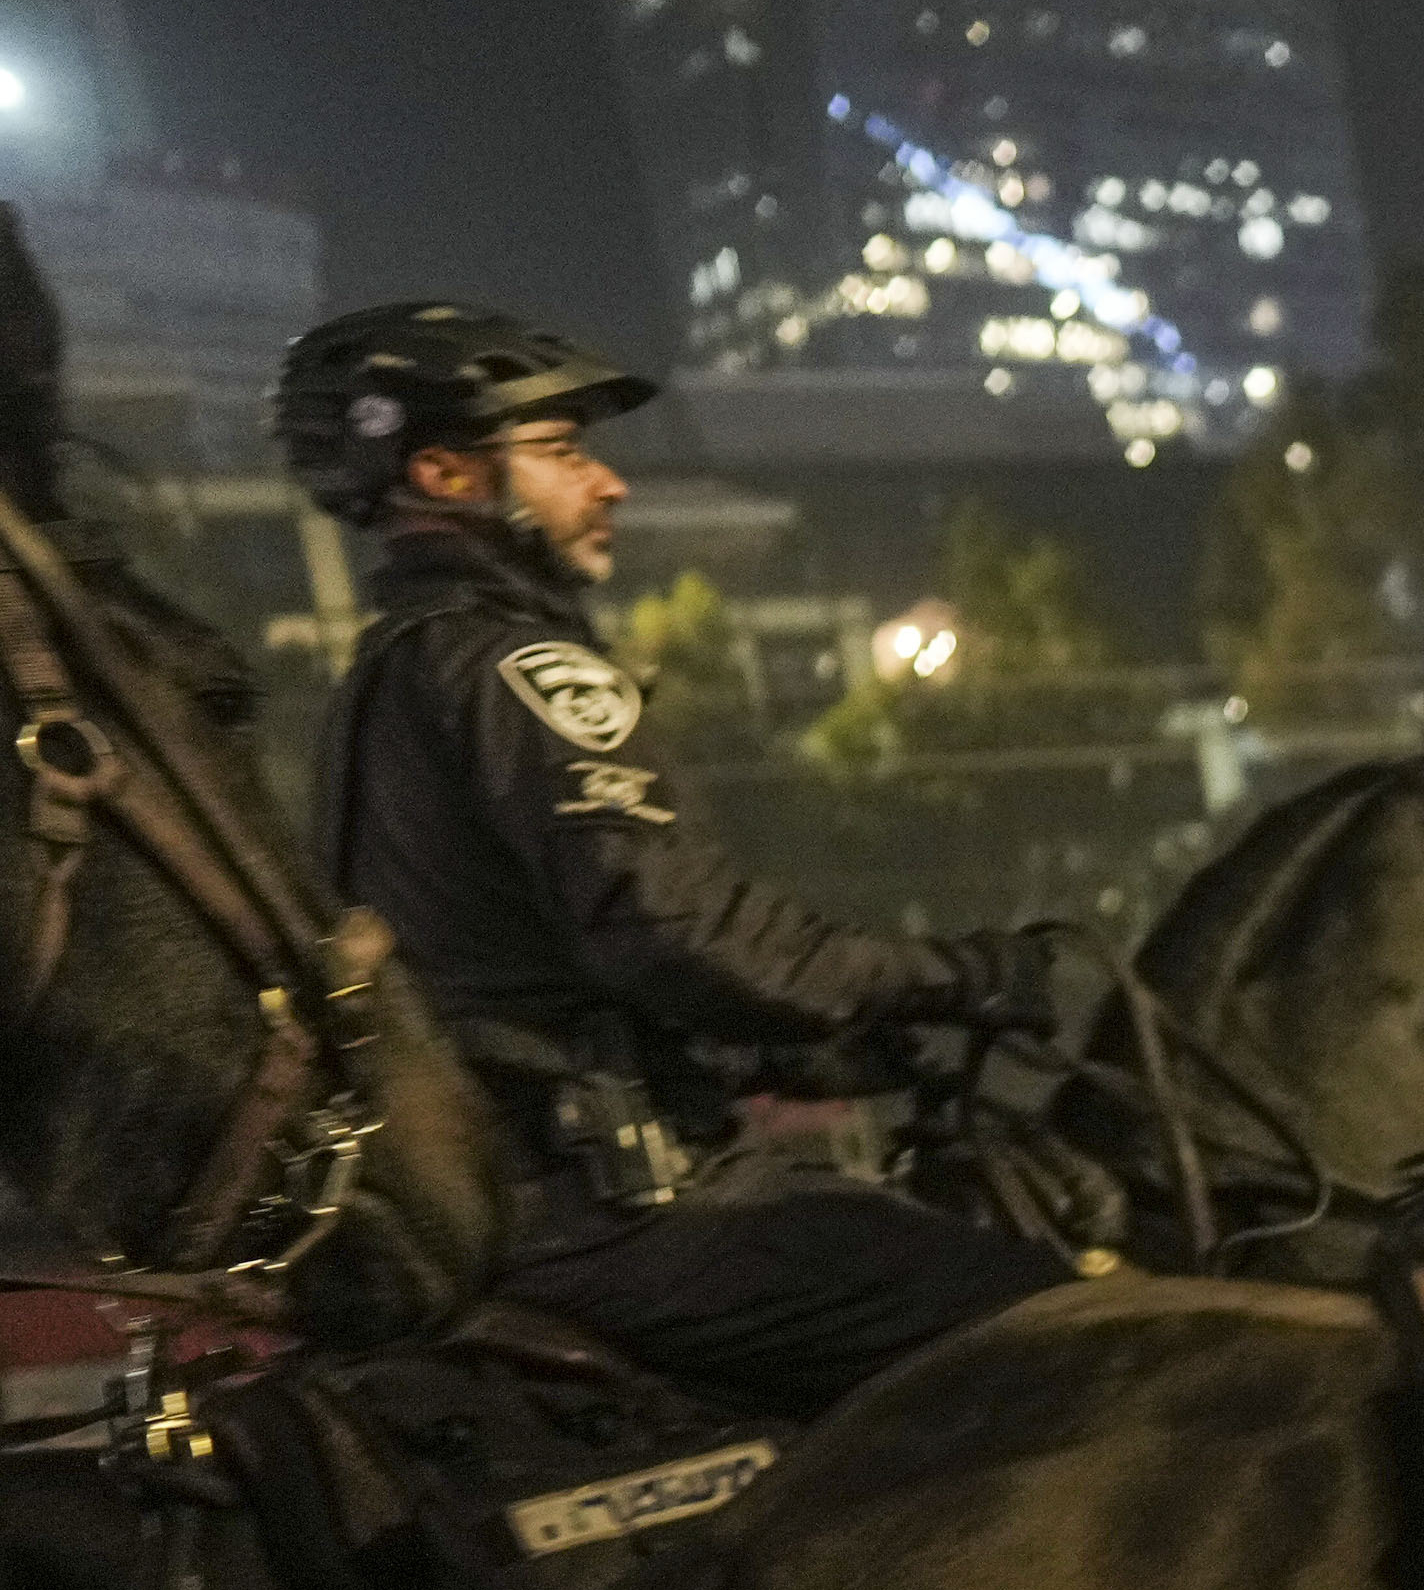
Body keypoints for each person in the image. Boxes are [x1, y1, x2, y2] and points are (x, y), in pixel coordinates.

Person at [281, 302, 1067, 1412]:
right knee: (1062, 1330)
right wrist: (958, 976)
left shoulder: (386, 678)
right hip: (611, 1214)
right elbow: (678, 931)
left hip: (507, 1195)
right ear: (449, 476)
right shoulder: (526, 672)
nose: (611, 485)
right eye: (560, 453)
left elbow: (528, 977)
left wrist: (794, 1060)